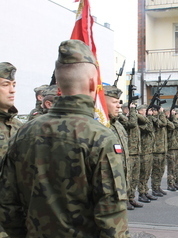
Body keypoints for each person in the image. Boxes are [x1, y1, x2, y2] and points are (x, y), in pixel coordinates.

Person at [0, 40, 129, 237]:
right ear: (94, 83)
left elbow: (8, 206)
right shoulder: (101, 137)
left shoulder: (24, 132)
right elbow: (112, 218)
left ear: (58, 84)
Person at [0, 62, 23, 238]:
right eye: (5, 85)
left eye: (13, 85)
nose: (12, 90)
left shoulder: (20, 128)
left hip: (16, 222)